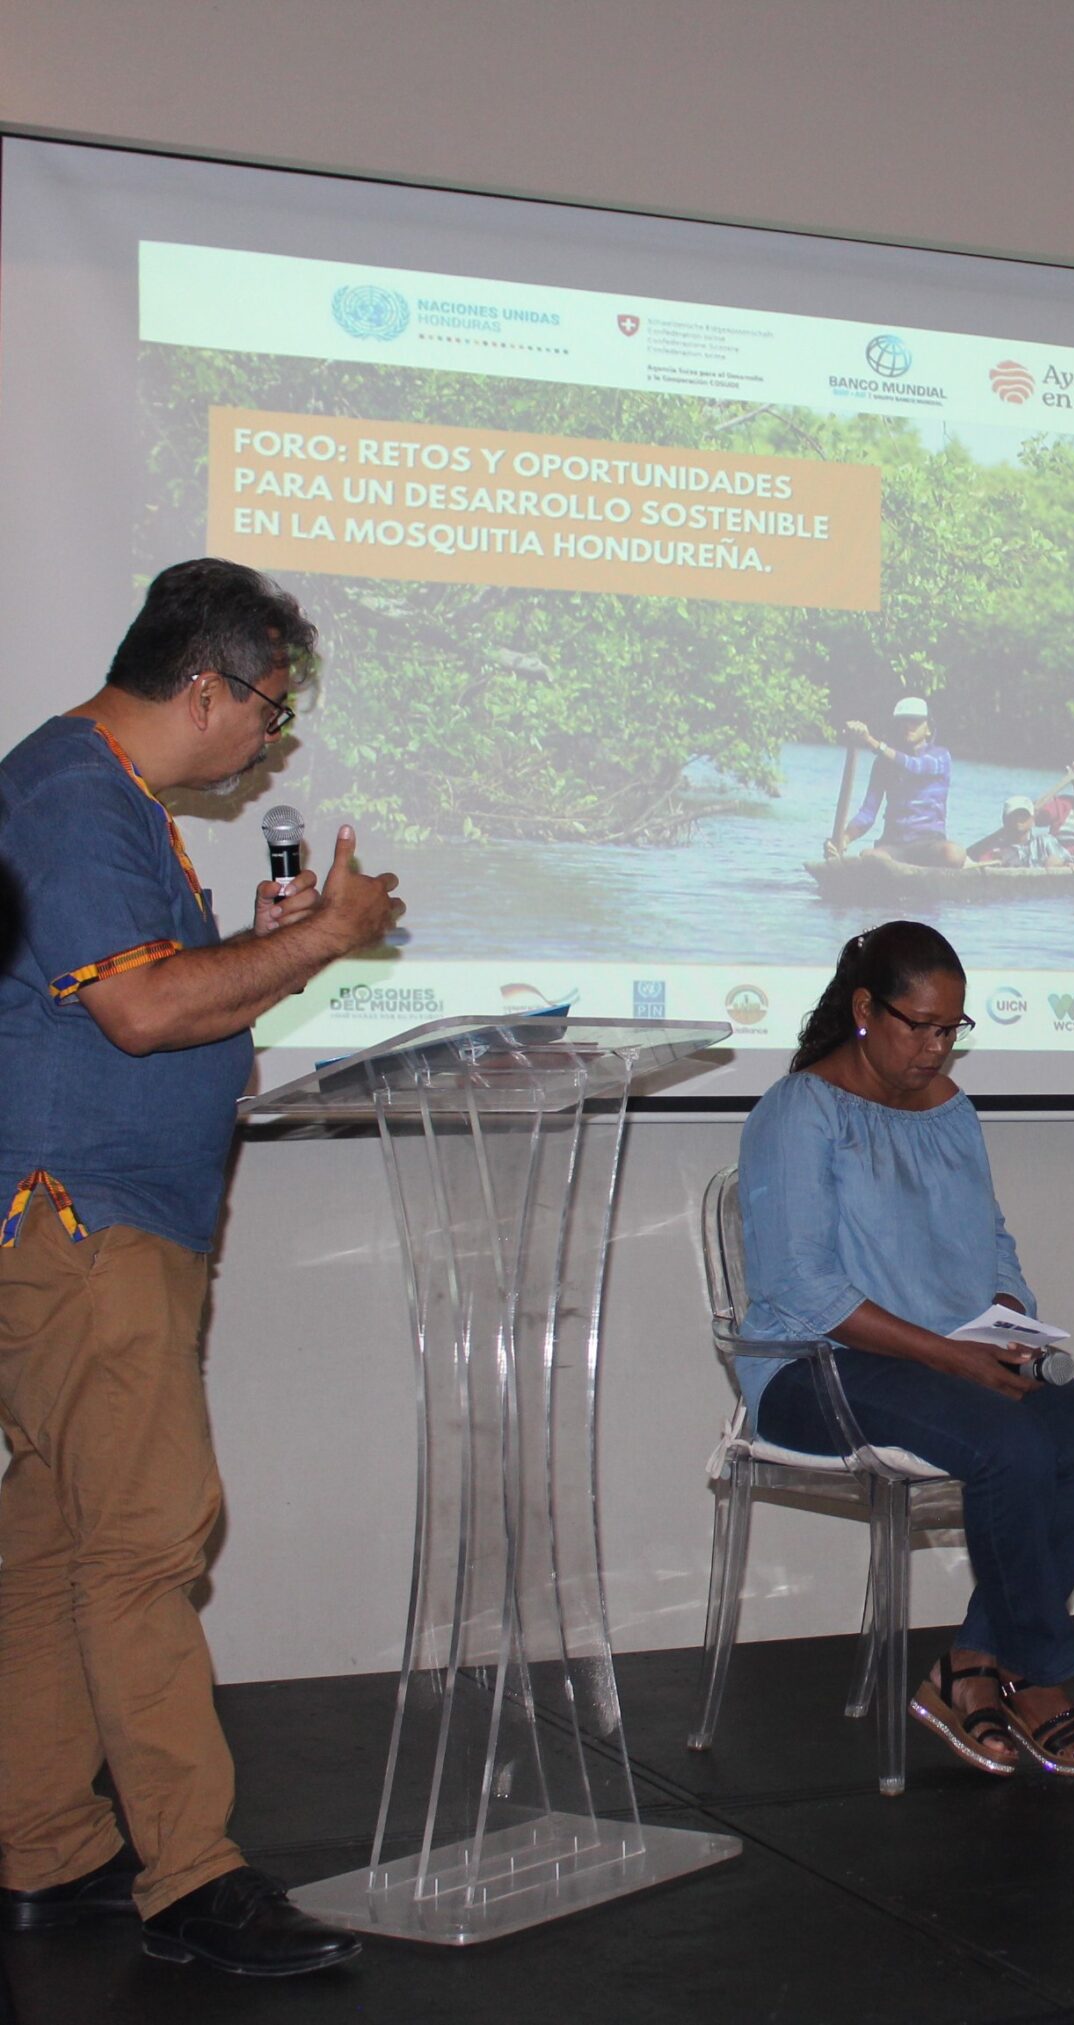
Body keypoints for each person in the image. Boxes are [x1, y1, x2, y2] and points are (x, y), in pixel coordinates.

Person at [0, 559, 403, 1975]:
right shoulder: (71, 797)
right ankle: (192, 1875)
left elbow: (157, 991)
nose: (273, 742)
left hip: (104, 1228)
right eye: (272, 710)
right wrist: (329, 945)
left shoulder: (108, 803)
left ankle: (46, 1846)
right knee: (149, 1539)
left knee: (56, 1545)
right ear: (207, 685)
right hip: (83, 1224)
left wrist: (276, 950)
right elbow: (146, 1012)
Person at [738, 921, 1074, 1776]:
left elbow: (991, 1242)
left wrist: (1006, 1314)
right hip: (817, 1367)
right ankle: (1040, 1677)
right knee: (1011, 1445)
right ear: (864, 1009)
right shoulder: (798, 1110)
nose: (936, 1046)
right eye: (918, 1025)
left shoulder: (953, 1110)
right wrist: (947, 1357)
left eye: (951, 1028)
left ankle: (972, 1663)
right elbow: (804, 1289)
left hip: (945, 1358)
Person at [830, 696, 965, 867]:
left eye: (915, 721)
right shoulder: (883, 764)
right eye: (902, 721)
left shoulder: (940, 756)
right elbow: (867, 813)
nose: (907, 726)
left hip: (930, 843)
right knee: (869, 856)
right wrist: (844, 838)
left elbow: (914, 766)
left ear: (928, 729)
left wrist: (871, 741)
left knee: (954, 853)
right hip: (895, 845)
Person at [966, 795, 1063, 867]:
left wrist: (1058, 862)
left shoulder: (1046, 842)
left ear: (1032, 819)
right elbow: (979, 864)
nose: (1019, 819)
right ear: (1005, 820)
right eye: (1014, 815)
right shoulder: (994, 849)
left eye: (1023, 814)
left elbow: (1068, 862)